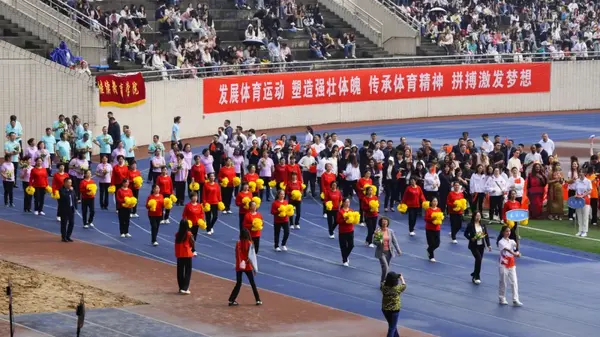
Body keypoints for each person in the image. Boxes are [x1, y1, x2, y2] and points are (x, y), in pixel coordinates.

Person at [228, 228, 262, 306]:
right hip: (247, 266)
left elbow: (236, 255)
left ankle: (231, 300)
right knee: (252, 283)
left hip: (239, 266)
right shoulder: (250, 244)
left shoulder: (238, 243)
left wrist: (239, 263)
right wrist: (255, 268)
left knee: (238, 283)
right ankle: (258, 300)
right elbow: (252, 257)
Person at [497, 225, 522, 306]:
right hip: (504, 264)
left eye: (509, 231)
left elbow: (516, 248)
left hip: (511, 264)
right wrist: (515, 253)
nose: (508, 233)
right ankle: (502, 298)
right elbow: (507, 249)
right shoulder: (501, 242)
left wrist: (518, 241)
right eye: (506, 231)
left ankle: (515, 299)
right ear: (503, 232)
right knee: (503, 282)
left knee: (514, 281)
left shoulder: (512, 241)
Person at [464, 211, 491, 285]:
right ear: (474, 216)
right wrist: (471, 238)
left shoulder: (482, 225)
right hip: (474, 246)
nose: (478, 217)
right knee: (478, 258)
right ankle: (477, 276)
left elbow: (486, 235)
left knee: (479, 261)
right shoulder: (470, 225)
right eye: (477, 216)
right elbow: (465, 233)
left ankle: (474, 274)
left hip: (481, 245)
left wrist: (488, 245)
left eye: (479, 216)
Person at [374, 217, 401, 285]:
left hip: (389, 251)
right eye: (383, 221)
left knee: (385, 267)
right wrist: (379, 242)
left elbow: (394, 241)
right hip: (381, 252)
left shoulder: (390, 231)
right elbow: (374, 242)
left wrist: (398, 249)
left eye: (386, 221)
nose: (385, 223)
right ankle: (383, 281)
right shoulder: (378, 231)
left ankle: (385, 280)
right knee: (385, 266)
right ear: (381, 223)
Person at [380, 271, 406, 337]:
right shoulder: (397, 288)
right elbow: (404, 285)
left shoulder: (383, 287)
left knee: (392, 325)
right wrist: (402, 278)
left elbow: (383, 282)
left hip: (385, 309)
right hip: (394, 310)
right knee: (392, 328)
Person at [175, 219, 195, 295]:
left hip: (179, 254)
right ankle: (185, 288)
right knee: (188, 270)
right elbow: (192, 242)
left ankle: (181, 287)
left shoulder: (177, 234)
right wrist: (193, 249)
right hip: (187, 254)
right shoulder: (189, 234)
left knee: (180, 271)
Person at [182, 191, 204, 256]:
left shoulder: (199, 205)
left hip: (196, 224)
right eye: (193, 197)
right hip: (189, 225)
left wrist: (201, 221)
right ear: (191, 198)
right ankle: (193, 249)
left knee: (194, 237)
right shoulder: (188, 206)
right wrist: (186, 221)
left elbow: (201, 214)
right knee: (190, 237)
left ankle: (190, 247)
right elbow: (184, 215)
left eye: (196, 196)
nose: (195, 198)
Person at [570, 171, 592, 237]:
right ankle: (580, 230)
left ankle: (585, 231)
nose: (581, 173)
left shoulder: (588, 181)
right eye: (580, 172)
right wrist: (576, 195)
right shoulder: (577, 181)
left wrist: (583, 195)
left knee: (585, 216)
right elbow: (576, 190)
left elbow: (590, 191)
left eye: (582, 172)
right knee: (579, 215)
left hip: (586, 199)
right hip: (578, 199)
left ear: (585, 173)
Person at [336, 197, 355, 266]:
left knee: (351, 245)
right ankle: (344, 260)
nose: (347, 204)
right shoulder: (340, 211)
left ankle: (345, 256)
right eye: (346, 202)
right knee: (343, 246)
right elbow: (338, 221)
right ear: (343, 203)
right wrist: (344, 219)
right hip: (342, 231)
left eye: (348, 202)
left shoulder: (351, 210)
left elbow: (353, 220)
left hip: (350, 230)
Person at [58, 178, 77, 242]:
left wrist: (75, 206)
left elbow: (74, 198)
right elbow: (64, 196)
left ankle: (68, 236)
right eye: (69, 183)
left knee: (71, 223)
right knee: (64, 223)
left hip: (71, 208)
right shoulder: (61, 190)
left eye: (71, 183)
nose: (70, 184)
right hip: (64, 209)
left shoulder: (72, 190)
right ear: (65, 183)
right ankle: (64, 237)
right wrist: (70, 191)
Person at [424, 197, 442, 262]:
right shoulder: (428, 210)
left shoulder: (439, 209)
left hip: (437, 228)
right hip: (429, 228)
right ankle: (431, 256)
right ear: (431, 202)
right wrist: (433, 219)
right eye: (434, 201)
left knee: (437, 243)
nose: (435, 203)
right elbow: (426, 219)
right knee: (431, 243)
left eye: (436, 201)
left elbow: (440, 217)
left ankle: (429, 250)